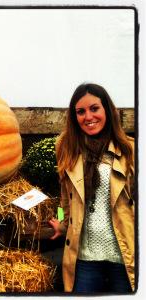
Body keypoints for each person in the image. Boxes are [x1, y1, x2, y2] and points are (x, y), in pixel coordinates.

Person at [48, 83, 135, 293]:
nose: (88, 117)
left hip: (124, 256)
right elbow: (65, 199)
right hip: (85, 258)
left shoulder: (130, 150)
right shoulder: (67, 150)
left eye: (94, 108)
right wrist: (62, 223)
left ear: (107, 110)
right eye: (81, 112)